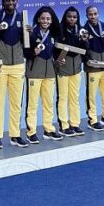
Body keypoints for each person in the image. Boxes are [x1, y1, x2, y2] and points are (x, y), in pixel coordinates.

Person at [0, 0, 28, 148]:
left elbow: (26, 42)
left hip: (18, 64)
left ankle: (15, 135)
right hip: (1, 64)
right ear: (2, 2)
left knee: (16, 103)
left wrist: (28, 33)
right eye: (7, 0)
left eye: (13, 0)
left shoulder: (22, 17)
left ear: (16, 1)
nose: (11, 3)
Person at [24, 7, 64, 143]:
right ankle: (31, 132)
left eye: (48, 18)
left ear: (52, 20)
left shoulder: (53, 35)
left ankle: (49, 129)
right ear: (38, 19)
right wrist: (33, 52)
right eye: (43, 18)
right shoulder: (31, 33)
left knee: (48, 103)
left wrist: (59, 58)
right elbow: (26, 53)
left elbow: (55, 52)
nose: (45, 21)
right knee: (32, 104)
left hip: (50, 73)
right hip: (34, 72)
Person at [81, 6, 104, 130]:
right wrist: (87, 61)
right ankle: (92, 120)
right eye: (90, 14)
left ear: (98, 13)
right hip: (92, 66)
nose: (93, 16)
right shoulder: (83, 29)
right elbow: (82, 49)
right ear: (87, 15)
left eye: (95, 13)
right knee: (91, 95)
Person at [56, 7, 86, 137]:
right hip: (63, 68)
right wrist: (57, 60)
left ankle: (75, 124)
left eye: (74, 17)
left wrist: (84, 41)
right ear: (65, 17)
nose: (72, 19)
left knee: (75, 97)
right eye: (69, 16)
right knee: (63, 97)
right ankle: (64, 125)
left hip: (76, 69)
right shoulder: (60, 30)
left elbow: (85, 49)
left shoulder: (81, 30)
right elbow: (56, 48)